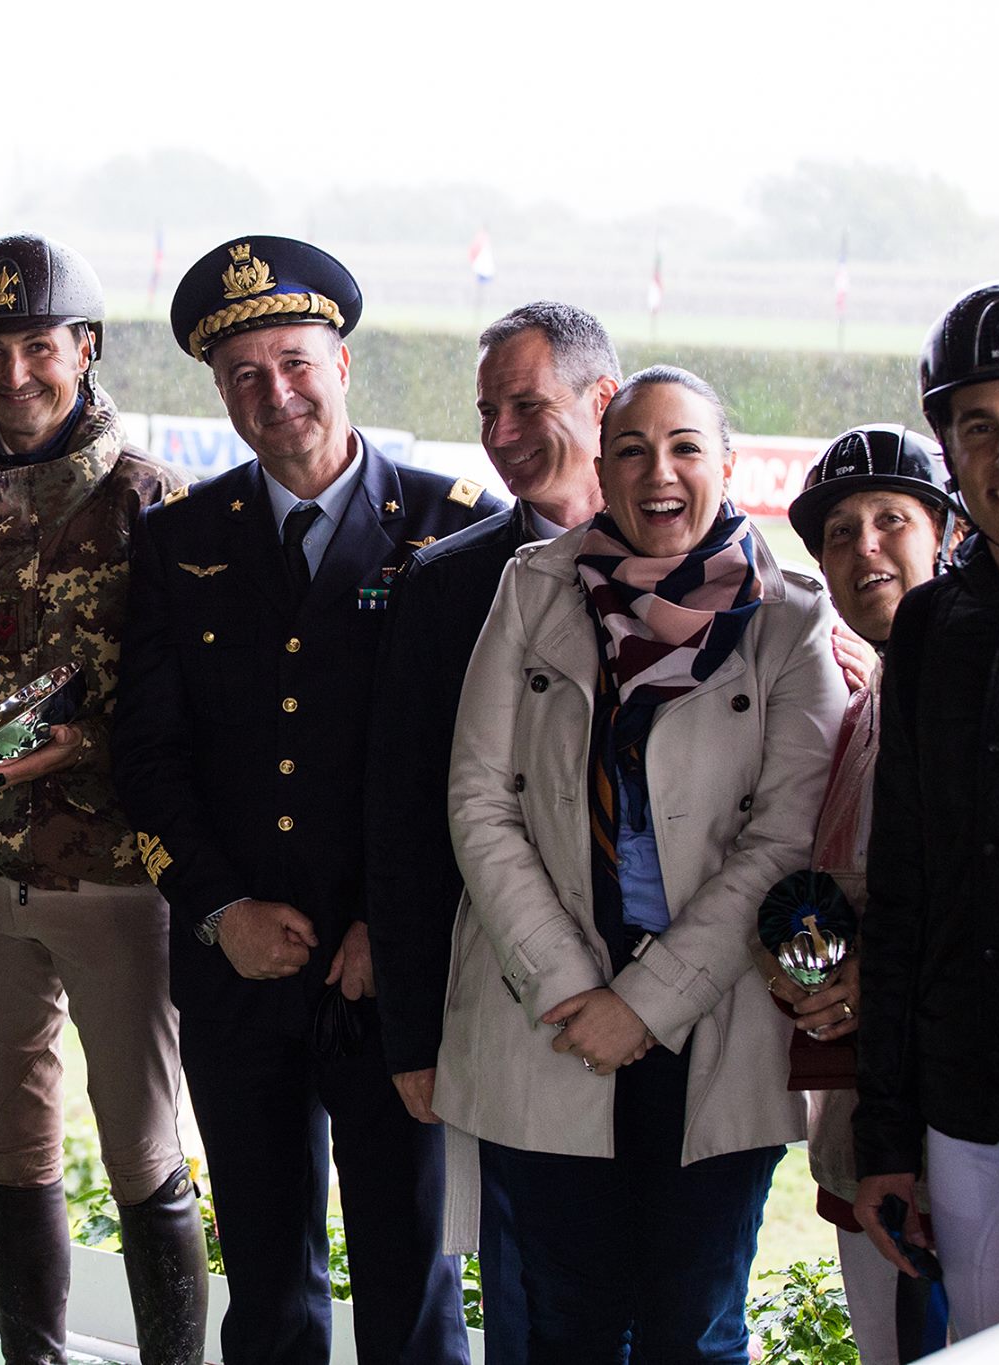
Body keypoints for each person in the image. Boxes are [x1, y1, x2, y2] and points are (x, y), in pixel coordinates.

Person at [115, 235, 498, 1365]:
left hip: (396, 979)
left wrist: (397, 923)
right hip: (239, 976)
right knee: (269, 1298)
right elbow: (147, 756)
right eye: (242, 374)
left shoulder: (454, 527)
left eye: (292, 361)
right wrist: (218, 907)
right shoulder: (177, 541)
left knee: (410, 1293)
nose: (272, 393)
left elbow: (476, 761)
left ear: (341, 364)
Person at [439, 364, 844, 1362]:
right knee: (563, 1327)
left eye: (682, 448)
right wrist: (577, 990)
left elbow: (787, 840)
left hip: (719, 1021)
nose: (655, 472)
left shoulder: (792, 619)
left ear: (726, 466)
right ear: (601, 465)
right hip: (550, 1015)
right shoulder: (531, 588)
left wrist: (647, 1004)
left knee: (689, 1329)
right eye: (629, 448)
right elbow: (479, 800)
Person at [0, 232, 207, 1365]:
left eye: (36, 345)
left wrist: (82, 742)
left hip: (116, 878)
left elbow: (200, 705)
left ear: (84, 348)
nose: (12, 372)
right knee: (11, 1154)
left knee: (141, 1152)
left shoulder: (155, 505)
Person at [365, 301, 620, 1364]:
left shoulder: (724, 573)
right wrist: (412, 1033)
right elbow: (408, 827)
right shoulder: (447, 584)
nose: (503, 432)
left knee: (683, 1308)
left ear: (601, 402)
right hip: (516, 1009)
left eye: (529, 403)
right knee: (530, 1308)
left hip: (686, 1008)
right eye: (486, 411)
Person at [854, 279, 999, 1339]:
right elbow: (900, 891)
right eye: (978, 427)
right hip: (961, 1099)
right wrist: (884, 1130)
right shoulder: (927, 628)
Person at [767, 424, 958, 1362]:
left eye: (892, 520)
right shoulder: (872, 690)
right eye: (839, 531)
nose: (864, 547)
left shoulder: (984, 695)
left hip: (957, 1122)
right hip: (864, 1112)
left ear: (947, 535)